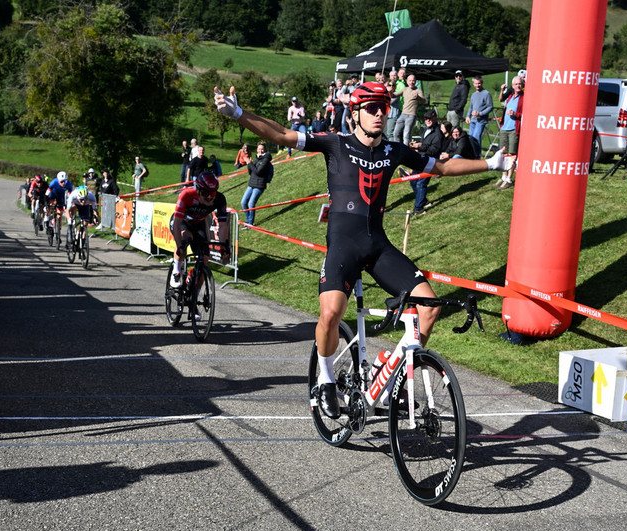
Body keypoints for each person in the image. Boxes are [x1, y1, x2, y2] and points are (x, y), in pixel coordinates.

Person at [214, 82, 508, 418]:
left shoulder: (394, 151)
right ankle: (324, 379)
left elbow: (441, 167)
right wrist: (238, 113)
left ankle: (391, 380)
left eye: (383, 107)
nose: (380, 114)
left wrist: (491, 163)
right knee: (330, 314)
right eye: (371, 108)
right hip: (343, 245)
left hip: (378, 246)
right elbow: (281, 135)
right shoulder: (334, 143)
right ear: (354, 114)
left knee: (428, 307)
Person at [168, 173, 231, 305]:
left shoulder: (219, 199)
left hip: (199, 224)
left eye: (212, 193)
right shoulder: (187, 195)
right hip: (182, 222)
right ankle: (176, 270)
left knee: (204, 262)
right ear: (198, 190)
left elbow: (223, 226)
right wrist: (180, 246)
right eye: (206, 193)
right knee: (185, 239)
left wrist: (223, 246)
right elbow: (177, 223)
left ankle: (193, 299)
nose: (209, 197)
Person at [406, 109, 443, 213]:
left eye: (430, 118)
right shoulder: (426, 130)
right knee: (413, 181)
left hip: (430, 161)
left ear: (435, 119)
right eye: (426, 118)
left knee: (421, 183)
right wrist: (417, 145)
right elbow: (425, 144)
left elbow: (434, 149)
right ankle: (424, 201)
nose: (428, 120)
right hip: (420, 159)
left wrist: (420, 146)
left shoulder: (438, 133)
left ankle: (419, 209)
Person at [496, 75, 525, 189]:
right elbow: (500, 99)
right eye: (516, 84)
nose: (518, 86)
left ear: (522, 85)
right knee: (504, 153)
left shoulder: (524, 98)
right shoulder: (510, 96)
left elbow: (526, 114)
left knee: (512, 154)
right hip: (504, 128)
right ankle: (503, 176)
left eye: (520, 84)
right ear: (512, 86)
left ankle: (509, 178)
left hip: (514, 129)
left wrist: (515, 114)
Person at [242, 141, 272, 227]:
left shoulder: (266, 160)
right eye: (259, 149)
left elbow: (258, 172)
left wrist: (249, 163)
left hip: (259, 185)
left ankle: (250, 224)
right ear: (257, 149)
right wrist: (249, 163)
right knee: (243, 202)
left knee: (251, 203)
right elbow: (251, 172)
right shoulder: (257, 158)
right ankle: (248, 221)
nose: (260, 151)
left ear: (265, 150)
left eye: (262, 149)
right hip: (252, 183)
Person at [392, 73, 425, 145]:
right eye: (410, 80)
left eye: (413, 80)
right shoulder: (405, 89)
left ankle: (406, 150)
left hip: (411, 115)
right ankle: (396, 148)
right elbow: (394, 95)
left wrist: (418, 97)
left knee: (406, 135)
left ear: (415, 81)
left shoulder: (418, 91)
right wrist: (389, 91)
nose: (411, 82)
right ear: (407, 81)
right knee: (395, 133)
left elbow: (423, 101)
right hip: (403, 114)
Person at [465, 76, 493, 149]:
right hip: (473, 120)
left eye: (479, 83)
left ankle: (477, 155)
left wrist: (480, 113)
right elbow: (471, 107)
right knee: (470, 137)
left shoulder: (486, 93)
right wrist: (468, 116)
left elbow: (490, 107)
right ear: (473, 84)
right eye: (476, 83)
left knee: (476, 137)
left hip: (481, 120)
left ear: (482, 83)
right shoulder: (473, 94)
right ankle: (472, 154)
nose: (477, 85)